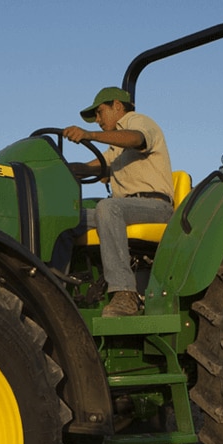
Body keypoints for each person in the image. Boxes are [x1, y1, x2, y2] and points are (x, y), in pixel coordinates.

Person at [63, 87, 174, 317]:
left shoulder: (138, 122)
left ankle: (125, 294)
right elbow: (91, 166)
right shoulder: (116, 149)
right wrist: (58, 169)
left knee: (108, 206)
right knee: (67, 217)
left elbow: (137, 138)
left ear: (117, 105)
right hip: (125, 210)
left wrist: (89, 135)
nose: (97, 120)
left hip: (156, 207)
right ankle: (59, 288)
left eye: (100, 112)